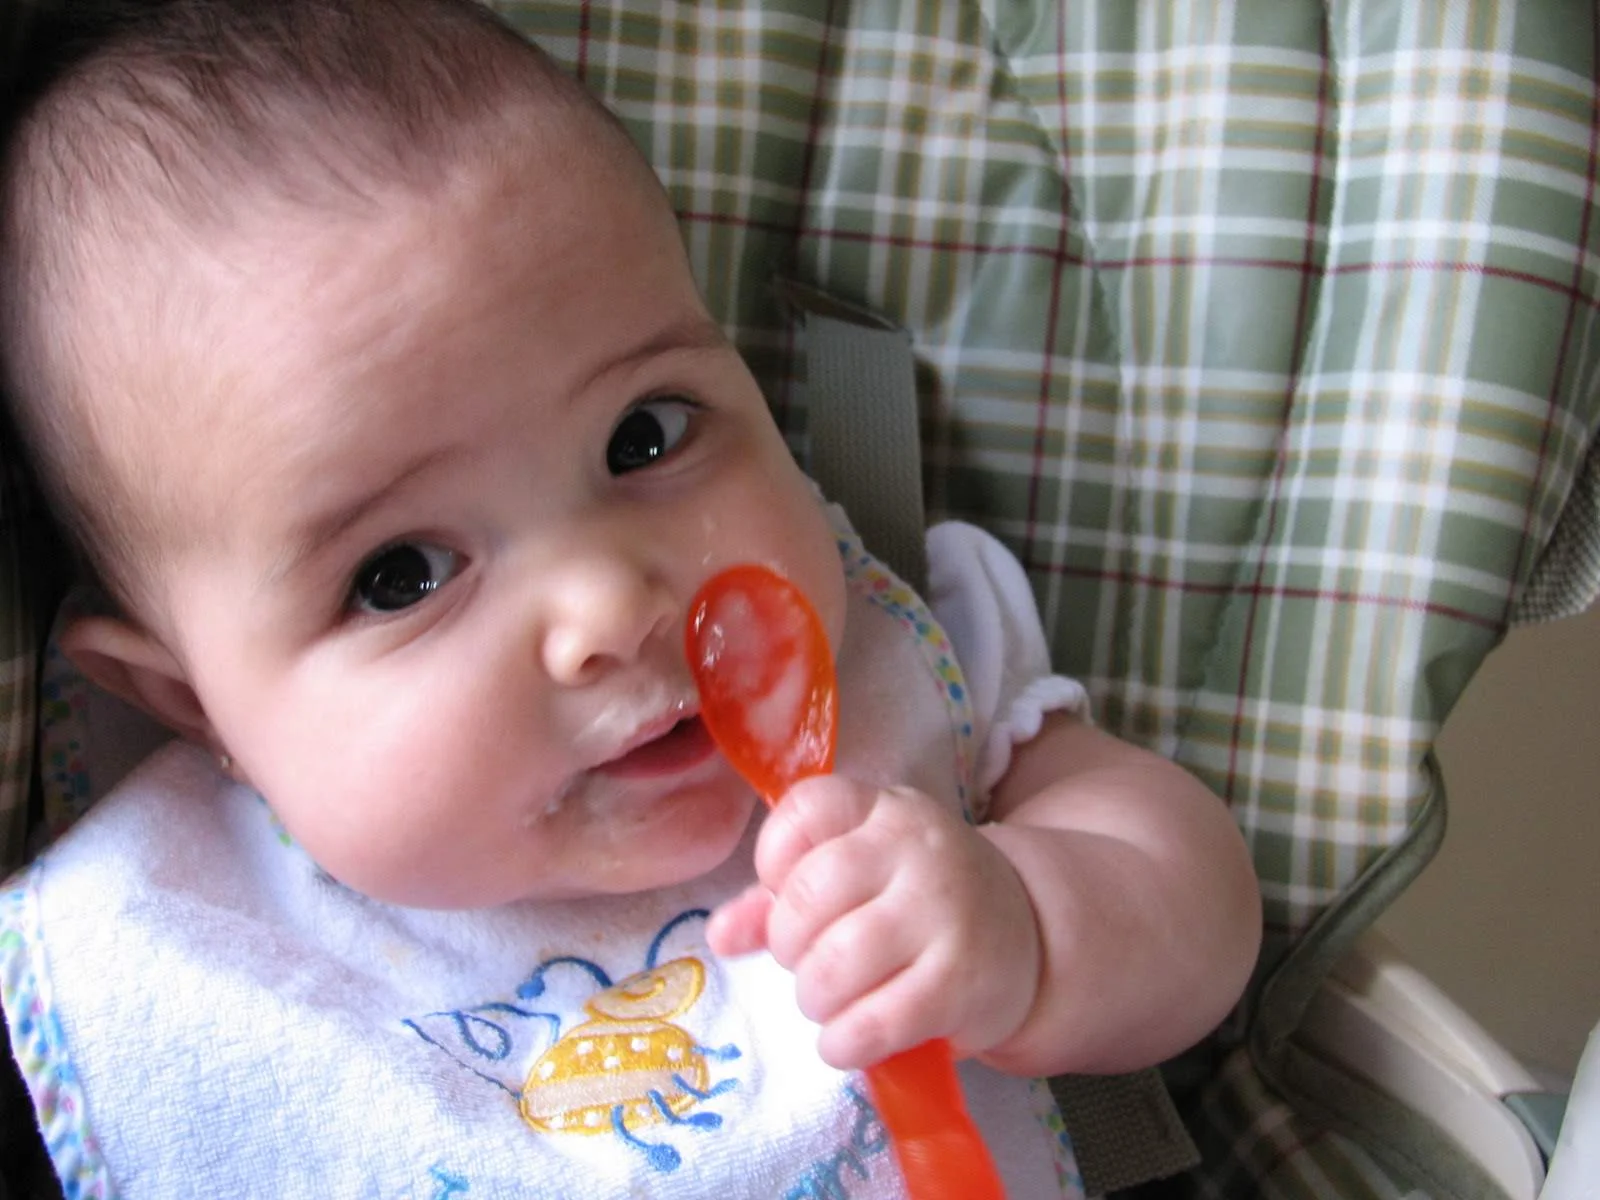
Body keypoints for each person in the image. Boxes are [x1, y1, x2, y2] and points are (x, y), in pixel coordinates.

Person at [0, 1, 1262, 1195]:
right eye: (401, 576)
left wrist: (1026, 924)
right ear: (191, 703)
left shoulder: (907, 658)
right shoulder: (156, 949)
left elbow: (1190, 900)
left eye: (645, 435)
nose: (608, 605)